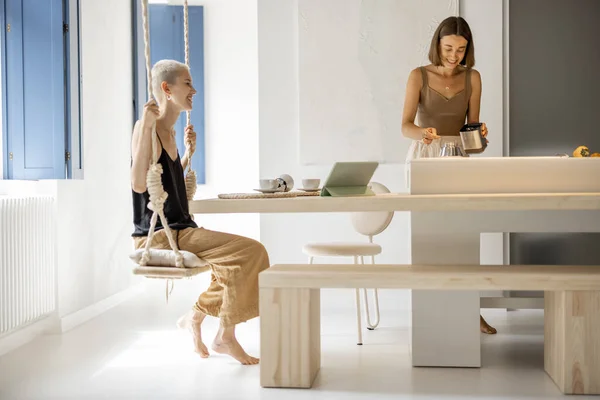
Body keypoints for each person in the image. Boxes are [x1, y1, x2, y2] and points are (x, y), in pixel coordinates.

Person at [131, 59, 270, 364]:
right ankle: (224, 337)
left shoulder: (170, 134)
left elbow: (165, 184)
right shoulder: (148, 129)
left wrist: (186, 155)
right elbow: (140, 183)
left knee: (235, 263)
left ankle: (195, 319)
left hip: (183, 228)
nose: (194, 90)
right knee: (251, 253)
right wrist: (146, 128)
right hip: (159, 236)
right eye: (187, 83)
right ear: (167, 89)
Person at [401, 17, 496, 334]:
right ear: (437, 46)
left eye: (460, 49)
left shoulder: (474, 78)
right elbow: (405, 126)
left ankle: (471, 309)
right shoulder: (418, 76)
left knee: (463, 237)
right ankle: (429, 312)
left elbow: (472, 137)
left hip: (458, 157)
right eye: (448, 48)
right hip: (426, 155)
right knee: (428, 237)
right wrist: (423, 134)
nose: (454, 55)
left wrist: (480, 135)